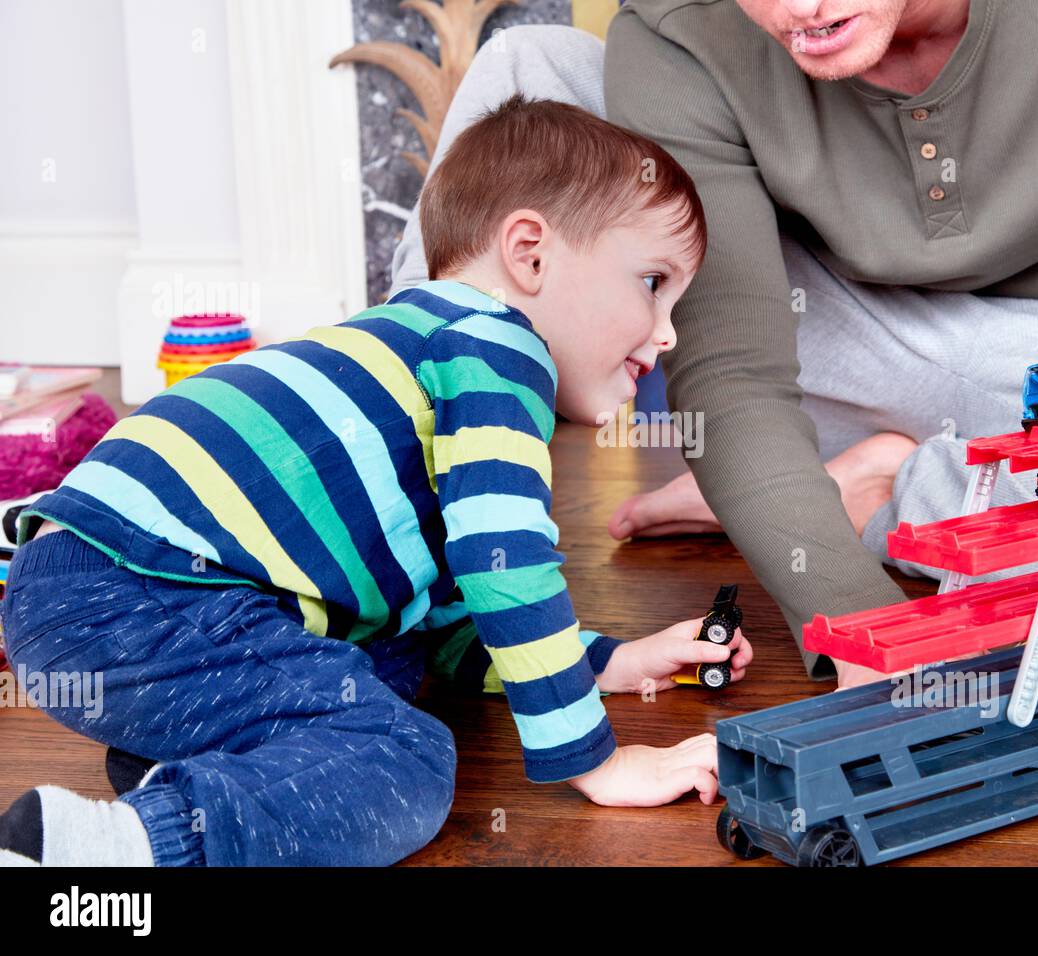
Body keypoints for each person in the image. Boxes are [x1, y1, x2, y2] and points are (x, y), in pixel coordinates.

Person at [390, 0, 1038, 688]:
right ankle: (394, 557)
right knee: (532, 66)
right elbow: (735, 365)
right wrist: (866, 631)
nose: (802, 8)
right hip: (793, 335)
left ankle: (887, 491)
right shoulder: (685, 27)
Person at [0, 95, 748, 867]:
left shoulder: (404, 347)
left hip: (82, 588)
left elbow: (450, 616)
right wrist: (599, 760)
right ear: (531, 254)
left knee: (393, 658)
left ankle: (202, 772)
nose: (667, 333)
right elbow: (509, 558)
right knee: (405, 756)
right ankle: (112, 854)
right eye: (653, 283)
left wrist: (610, 664)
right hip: (138, 589)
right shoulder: (500, 348)